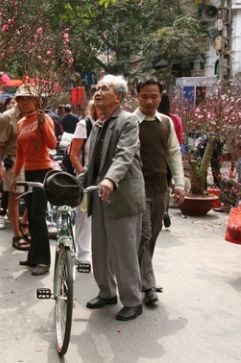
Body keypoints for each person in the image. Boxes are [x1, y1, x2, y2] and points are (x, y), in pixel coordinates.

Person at [79, 75, 145, 321]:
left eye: (104, 89)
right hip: (99, 196)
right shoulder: (97, 124)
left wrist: (109, 179)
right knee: (100, 249)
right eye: (96, 88)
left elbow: (124, 155)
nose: (97, 92)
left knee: (124, 253)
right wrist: (79, 180)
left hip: (122, 196)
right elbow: (94, 164)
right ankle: (106, 292)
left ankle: (132, 301)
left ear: (117, 97)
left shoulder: (128, 122)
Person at [134, 76, 185, 306]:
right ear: (137, 96)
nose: (149, 101)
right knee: (143, 235)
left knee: (151, 236)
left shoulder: (166, 122)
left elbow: (173, 153)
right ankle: (148, 285)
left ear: (161, 97)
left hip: (160, 188)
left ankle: (138, 277)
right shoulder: (129, 122)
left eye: (154, 96)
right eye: (145, 96)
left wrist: (180, 184)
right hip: (137, 188)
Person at [12, 84, 57, 276]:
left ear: (36, 100)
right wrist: (15, 175)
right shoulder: (21, 123)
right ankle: (33, 257)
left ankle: (44, 261)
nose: (23, 102)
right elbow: (20, 153)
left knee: (37, 217)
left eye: (27, 98)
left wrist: (41, 124)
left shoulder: (44, 118)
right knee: (30, 215)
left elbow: (52, 144)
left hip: (43, 171)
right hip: (28, 173)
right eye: (20, 99)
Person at [0, 91, 29, 250]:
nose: (27, 101)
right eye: (24, 98)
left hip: (35, 161)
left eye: (31, 98)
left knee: (36, 197)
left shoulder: (36, 116)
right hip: (13, 161)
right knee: (14, 198)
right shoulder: (8, 117)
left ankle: (24, 222)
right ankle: (17, 235)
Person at [68, 100, 98, 265]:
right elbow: (73, 154)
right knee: (85, 216)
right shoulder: (84, 124)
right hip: (85, 176)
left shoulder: (113, 123)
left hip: (105, 177)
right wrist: (83, 174)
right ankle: (83, 252)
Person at [157, 92, 184, 227]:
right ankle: (165, 211)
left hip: (156, 157)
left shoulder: (155, 119)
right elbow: (178, 142)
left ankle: (156, 211)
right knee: (166, 186)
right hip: (168, 159)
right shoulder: (175, 119)